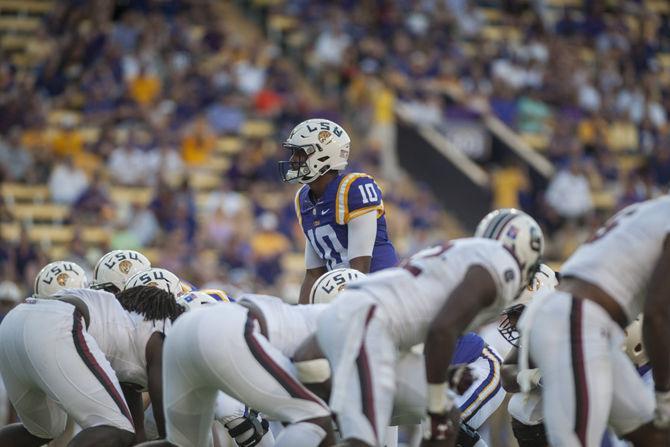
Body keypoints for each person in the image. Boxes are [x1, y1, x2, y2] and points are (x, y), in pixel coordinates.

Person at [314, 208, 544, 446]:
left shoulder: (465, 256)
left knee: (442, 427)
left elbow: (437, 329)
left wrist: (436, 401)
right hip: (397, 345)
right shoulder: (494, 264)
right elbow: (440, 330)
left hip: (454, 358)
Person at [523, 197, 670, 446]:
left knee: (652, 435)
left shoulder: (649, 210)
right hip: (577, 319)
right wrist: (663, 395)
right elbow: (656, 316)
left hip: (579, 319)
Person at [278, 118, 397, 304]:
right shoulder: (303, 198)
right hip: (339, 294)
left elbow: (359, 268)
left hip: (379, 291)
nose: (293, 160)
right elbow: (313, 274)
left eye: (300, 153)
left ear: (323, 155)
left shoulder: (354, 187)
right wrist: (301, 315)